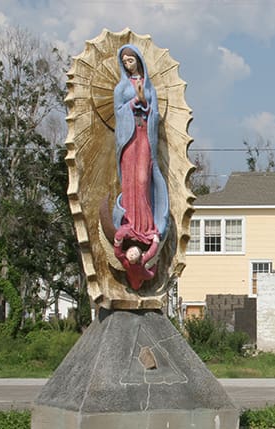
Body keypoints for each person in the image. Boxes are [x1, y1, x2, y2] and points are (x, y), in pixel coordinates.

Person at [111, 44, 170, 290]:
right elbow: (118, 112)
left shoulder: (148, 85)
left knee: (144, 179)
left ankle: (146, 225)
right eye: (124, 61)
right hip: (128, 139)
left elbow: (154, 113)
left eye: (131, 60)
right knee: (130, 182)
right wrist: (135, 100)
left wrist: (145, 104)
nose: (128, 64)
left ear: (138, 60)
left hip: (144, 134)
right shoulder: (121, 88)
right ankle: (131, 224)